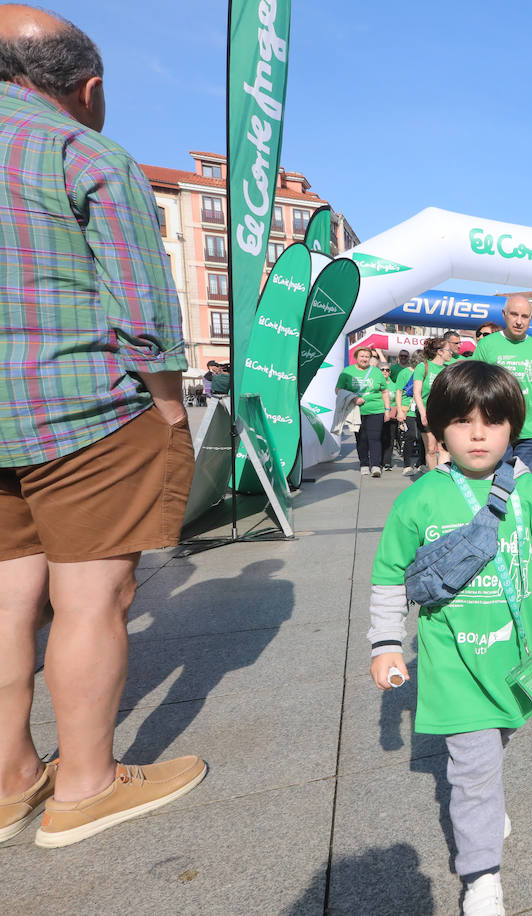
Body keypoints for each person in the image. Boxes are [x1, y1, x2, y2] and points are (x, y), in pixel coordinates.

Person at [0, 5, 205, 848]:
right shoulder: (79, 151)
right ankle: (84, 785)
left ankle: (11, 777)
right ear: (87, 88)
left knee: (9, 597)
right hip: (83, 409)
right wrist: (166, 407)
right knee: (91, 598)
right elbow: (143, 305)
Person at [368, 360, 532, 915]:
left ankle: (483, 804)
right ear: (436, 428)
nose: (477, 434)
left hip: (514, 661)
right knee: (474, 769)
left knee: (499, 740)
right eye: (461, 422)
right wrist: (386, 643)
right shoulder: (417, 501)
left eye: (492, 421)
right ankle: (481, 875)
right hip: (452, 665)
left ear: (513, 428)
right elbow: (389, 576)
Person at [474, 295, 532, 475]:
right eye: (514, 315)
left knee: (526, 485)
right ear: (504, 314)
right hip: (495, 428)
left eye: (524, 316)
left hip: (531, 432)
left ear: (530, 319)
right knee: (497, 483)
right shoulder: (487, 345)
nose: (519, 321)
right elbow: (475, 386)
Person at [336, 346, 392, 477]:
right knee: (361, 439)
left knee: (375, 438)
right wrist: (353, 398)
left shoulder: (377, 372)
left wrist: (387, 409)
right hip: (356, 411)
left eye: (367, 356)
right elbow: (338, 390)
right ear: (356, 357)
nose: (364, 359)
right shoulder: (347, 372)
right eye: (362, 356)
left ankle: (376, 466)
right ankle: (364, 464)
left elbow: (385, 391)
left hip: (376, 409)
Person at [413, 337, 450, 471]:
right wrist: (423, 413)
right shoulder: (423, 367)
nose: (451, 352)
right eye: (448, 350)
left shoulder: (448, 369)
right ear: (440, 351)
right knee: (431, 448)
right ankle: (433, 476)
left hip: (443, 413)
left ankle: (443, 478)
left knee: (444, 448)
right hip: (426, 411)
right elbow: (417, 393)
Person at [389, 355, 424, 476]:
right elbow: (398, 392)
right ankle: (407, 465)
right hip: (407, 409)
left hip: (422, 409)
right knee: (411, 436)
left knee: (422, 437)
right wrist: (399, 410)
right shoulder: (404, 373)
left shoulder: (426, 372)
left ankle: (421, 463)